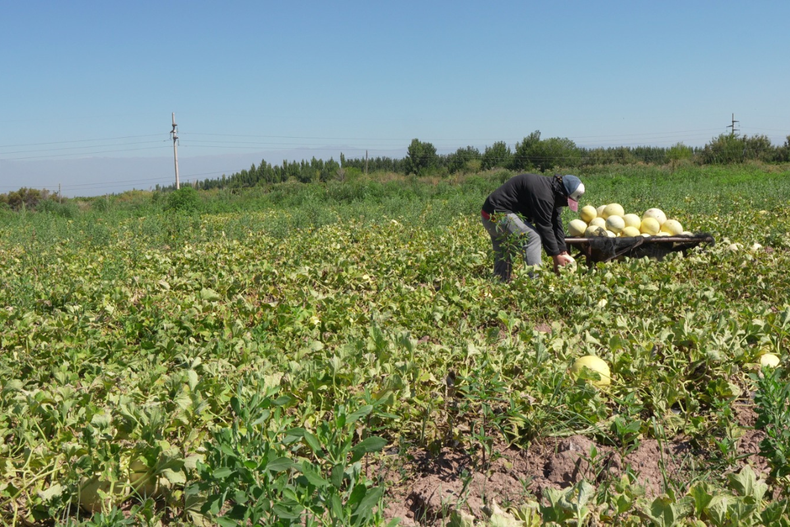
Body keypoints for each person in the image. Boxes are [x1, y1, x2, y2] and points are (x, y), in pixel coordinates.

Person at [481, 173, 585, 281]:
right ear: (562, 193)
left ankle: (499, 281)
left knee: (506, 248)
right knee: (532, 237)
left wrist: (563, 251)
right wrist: (556, 257)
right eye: (567, 201)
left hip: (490, 215)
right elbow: (544, 226)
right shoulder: (544, 194)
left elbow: (556, 222)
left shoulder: (554, 193)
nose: (566, 205)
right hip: (496, 216)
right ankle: (536, 281)